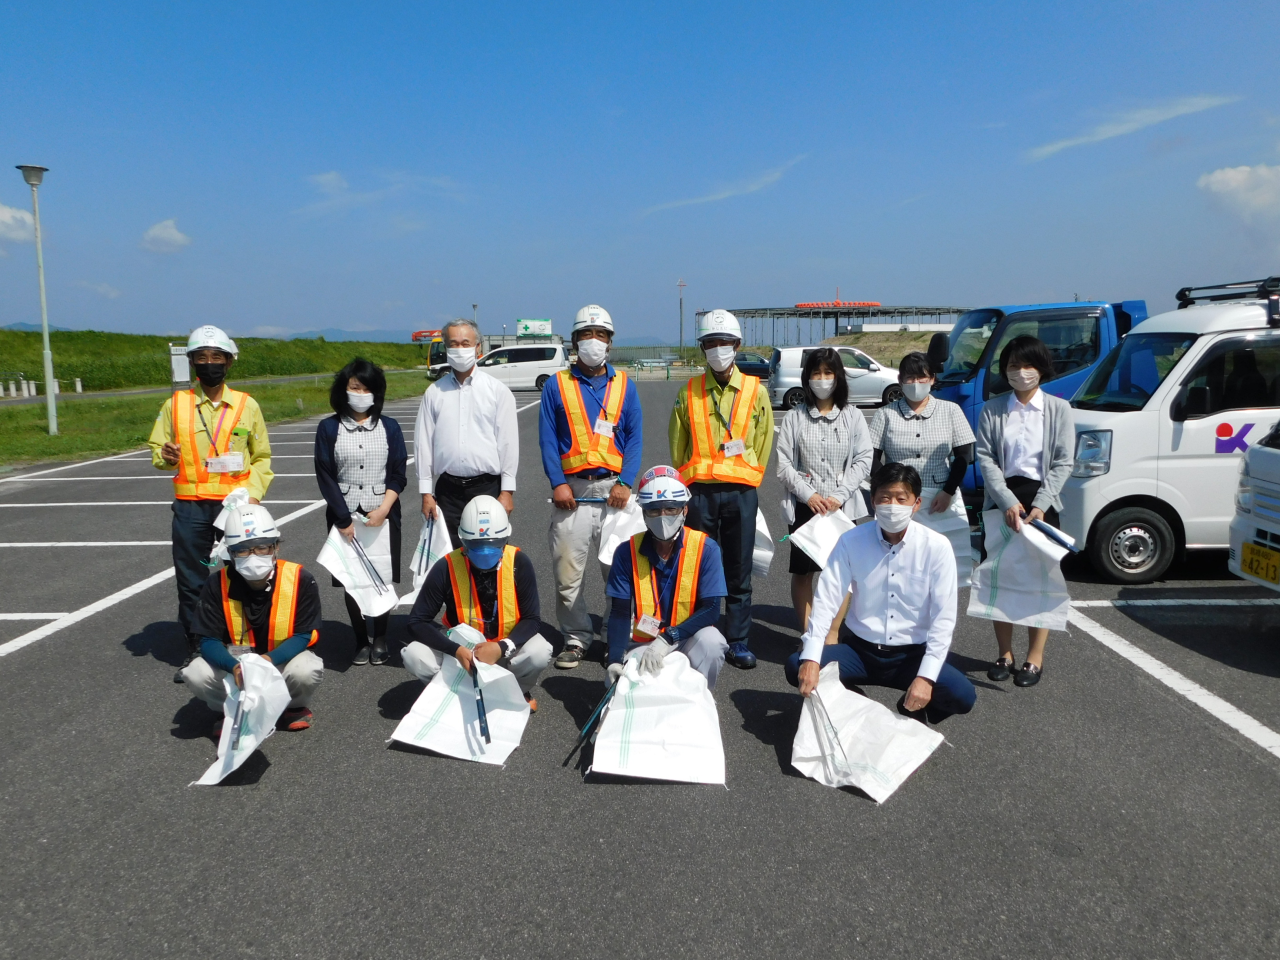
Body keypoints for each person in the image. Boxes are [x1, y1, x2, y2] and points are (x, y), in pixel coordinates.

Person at [787, 463, 977, 725]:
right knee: (796, 664)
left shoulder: (937, 547)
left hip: (911, 656)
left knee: (962, 695)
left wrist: (925, 677)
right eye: (884, 498)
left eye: (902, 498)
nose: (893, 505)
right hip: (860, 651)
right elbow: (826, 599)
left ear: (916, 503)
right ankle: (854, 704)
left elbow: (943, 620)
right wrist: (810, 655)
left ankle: (912, 706)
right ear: (873, 502)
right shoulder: (851, 541)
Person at [148, 325, 273, 682]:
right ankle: (197, 650)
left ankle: (243, 647)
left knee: (244, 575)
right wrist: (167, 455)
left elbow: (262, 457)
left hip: (235, 507)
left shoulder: (247, 406)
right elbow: (159, 451)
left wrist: (251, 496)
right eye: (201, 358)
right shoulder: (175, 405)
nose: (209, 364)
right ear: (191, 363)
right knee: (192, 581)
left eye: (216, 357)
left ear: (229, 363)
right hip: (190, 508)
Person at [539, 304, 644, 670]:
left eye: (601, 335)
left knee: (619, 572)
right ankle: (576, 637)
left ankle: (619, 638)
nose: (594, 341)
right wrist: (558, 484)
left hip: (615, 492)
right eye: (587, 334)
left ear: (610, 342)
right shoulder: (557, 385)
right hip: (573, 493)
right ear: (575, 340)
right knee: (568, 574)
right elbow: (548, 440)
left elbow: (634, 438)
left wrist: (627, 482)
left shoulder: (625, 385)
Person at [669, 308, 774, 669]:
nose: (717, 349)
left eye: (724, 342)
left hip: (741, 492)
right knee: (699, 567)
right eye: (710, 343)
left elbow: (764, 440)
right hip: (700, 493)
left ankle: (739, 640)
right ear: (702, 348)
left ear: (737, 345)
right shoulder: (690, 391)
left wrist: (748, 475)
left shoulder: (755, 391)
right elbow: (677, 443)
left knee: (738, 569)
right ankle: (703, 635)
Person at [975, 335, 1074, 688]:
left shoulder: (1059, 410)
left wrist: (1041, 504)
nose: (1021, 373)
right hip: (1003, 501)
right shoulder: (993, 408)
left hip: (1042, 504)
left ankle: (1035, 658)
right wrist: (1006, 501)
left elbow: (1064, 461)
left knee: (1040, 582)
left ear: (1041, 369)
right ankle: (1004, 652)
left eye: (1028, 365)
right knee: (1000, 579)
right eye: (1014, 366)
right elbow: (984, 457)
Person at [402, 495, 558, 710]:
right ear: (463, 541)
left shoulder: (519, 562)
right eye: (476, 545)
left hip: (503, 649)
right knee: (414, 655)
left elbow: (532, 618)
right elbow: (417, 621)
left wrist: (503, 647)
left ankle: (516, 691)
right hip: (462, 653)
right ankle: (455, 694)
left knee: (539, 650)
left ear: (506, 538)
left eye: (493, 544)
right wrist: (455, 649)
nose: (485, 551)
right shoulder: (446, 566)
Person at [180, 504, 323, 734]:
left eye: (262, 547)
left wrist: (267, 660)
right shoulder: (216, 584)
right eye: (243, 550)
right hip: (238, 665)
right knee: (195, 672)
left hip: (279, 660)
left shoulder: (300, 578)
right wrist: (234, 667)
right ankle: (227, 710)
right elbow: (207, 640)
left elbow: (303, 634)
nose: (253, 555)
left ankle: (293, 708)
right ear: (231, 553)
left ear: (275, 547)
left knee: (306, 669)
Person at [314, 359, 408, 666]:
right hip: (344, 513)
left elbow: (398, 473)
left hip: (383, 510)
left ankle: (380, 637)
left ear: (377, 393)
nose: (361, 393)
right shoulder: (329, 427)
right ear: (343, 390)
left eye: (367, 388)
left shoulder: (389, 427)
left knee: (380, 575)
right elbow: (325, 475)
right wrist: (342, 518)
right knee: (352, 579)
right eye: (355, 387)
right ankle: (360, 640)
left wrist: (384, 508)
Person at [605, 466, 729, 689]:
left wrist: (669, 637)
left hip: (688, 638)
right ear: (643, 513)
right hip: (644, 642)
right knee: (641, 699)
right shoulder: (626, 552)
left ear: (684, 510)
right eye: (654, 510)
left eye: (671, 509)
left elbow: (711, 608)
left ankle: (702, 699)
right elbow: (620, 612)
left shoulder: (706, 548)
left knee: (713, 642)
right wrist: (614, 659)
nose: (662, 517)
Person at [776, 347, 872, 630]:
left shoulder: (853, 416)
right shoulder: (795, 417)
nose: (822, 379)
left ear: (838, 377)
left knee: (841, 574)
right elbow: (783, 466)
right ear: (807, 378)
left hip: (840, 509)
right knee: (804, 573)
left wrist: (839, 496)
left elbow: (863, 459)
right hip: (806, 508)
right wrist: (809, 495)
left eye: (828, 372)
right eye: (816, 373)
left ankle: (831, 633)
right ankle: (809, 633)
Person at [869, 350, 976, 575]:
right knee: (898, 564)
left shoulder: (950, 410)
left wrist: (948, 491)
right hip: (898, 500)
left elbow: (964, 455)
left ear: (933, 379)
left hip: (940, 499)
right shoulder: (885, 414)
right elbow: (871, 457)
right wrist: (887, 493)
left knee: (941, 564)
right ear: (900, 380)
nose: (916, 383)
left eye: (922, 378)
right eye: (910, 378)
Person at [415, 318, 519, 546]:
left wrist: (507, 492)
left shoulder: (497, 391)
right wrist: (426, 493)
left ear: (478, 347)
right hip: (447, 493)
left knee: (486, 555)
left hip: (487, 489)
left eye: (465, 343)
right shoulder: (434, 392)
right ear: (445, 347)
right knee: (448, 558)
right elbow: (423, 444)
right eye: (453, 344)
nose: (459, 349)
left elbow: (508, 444)